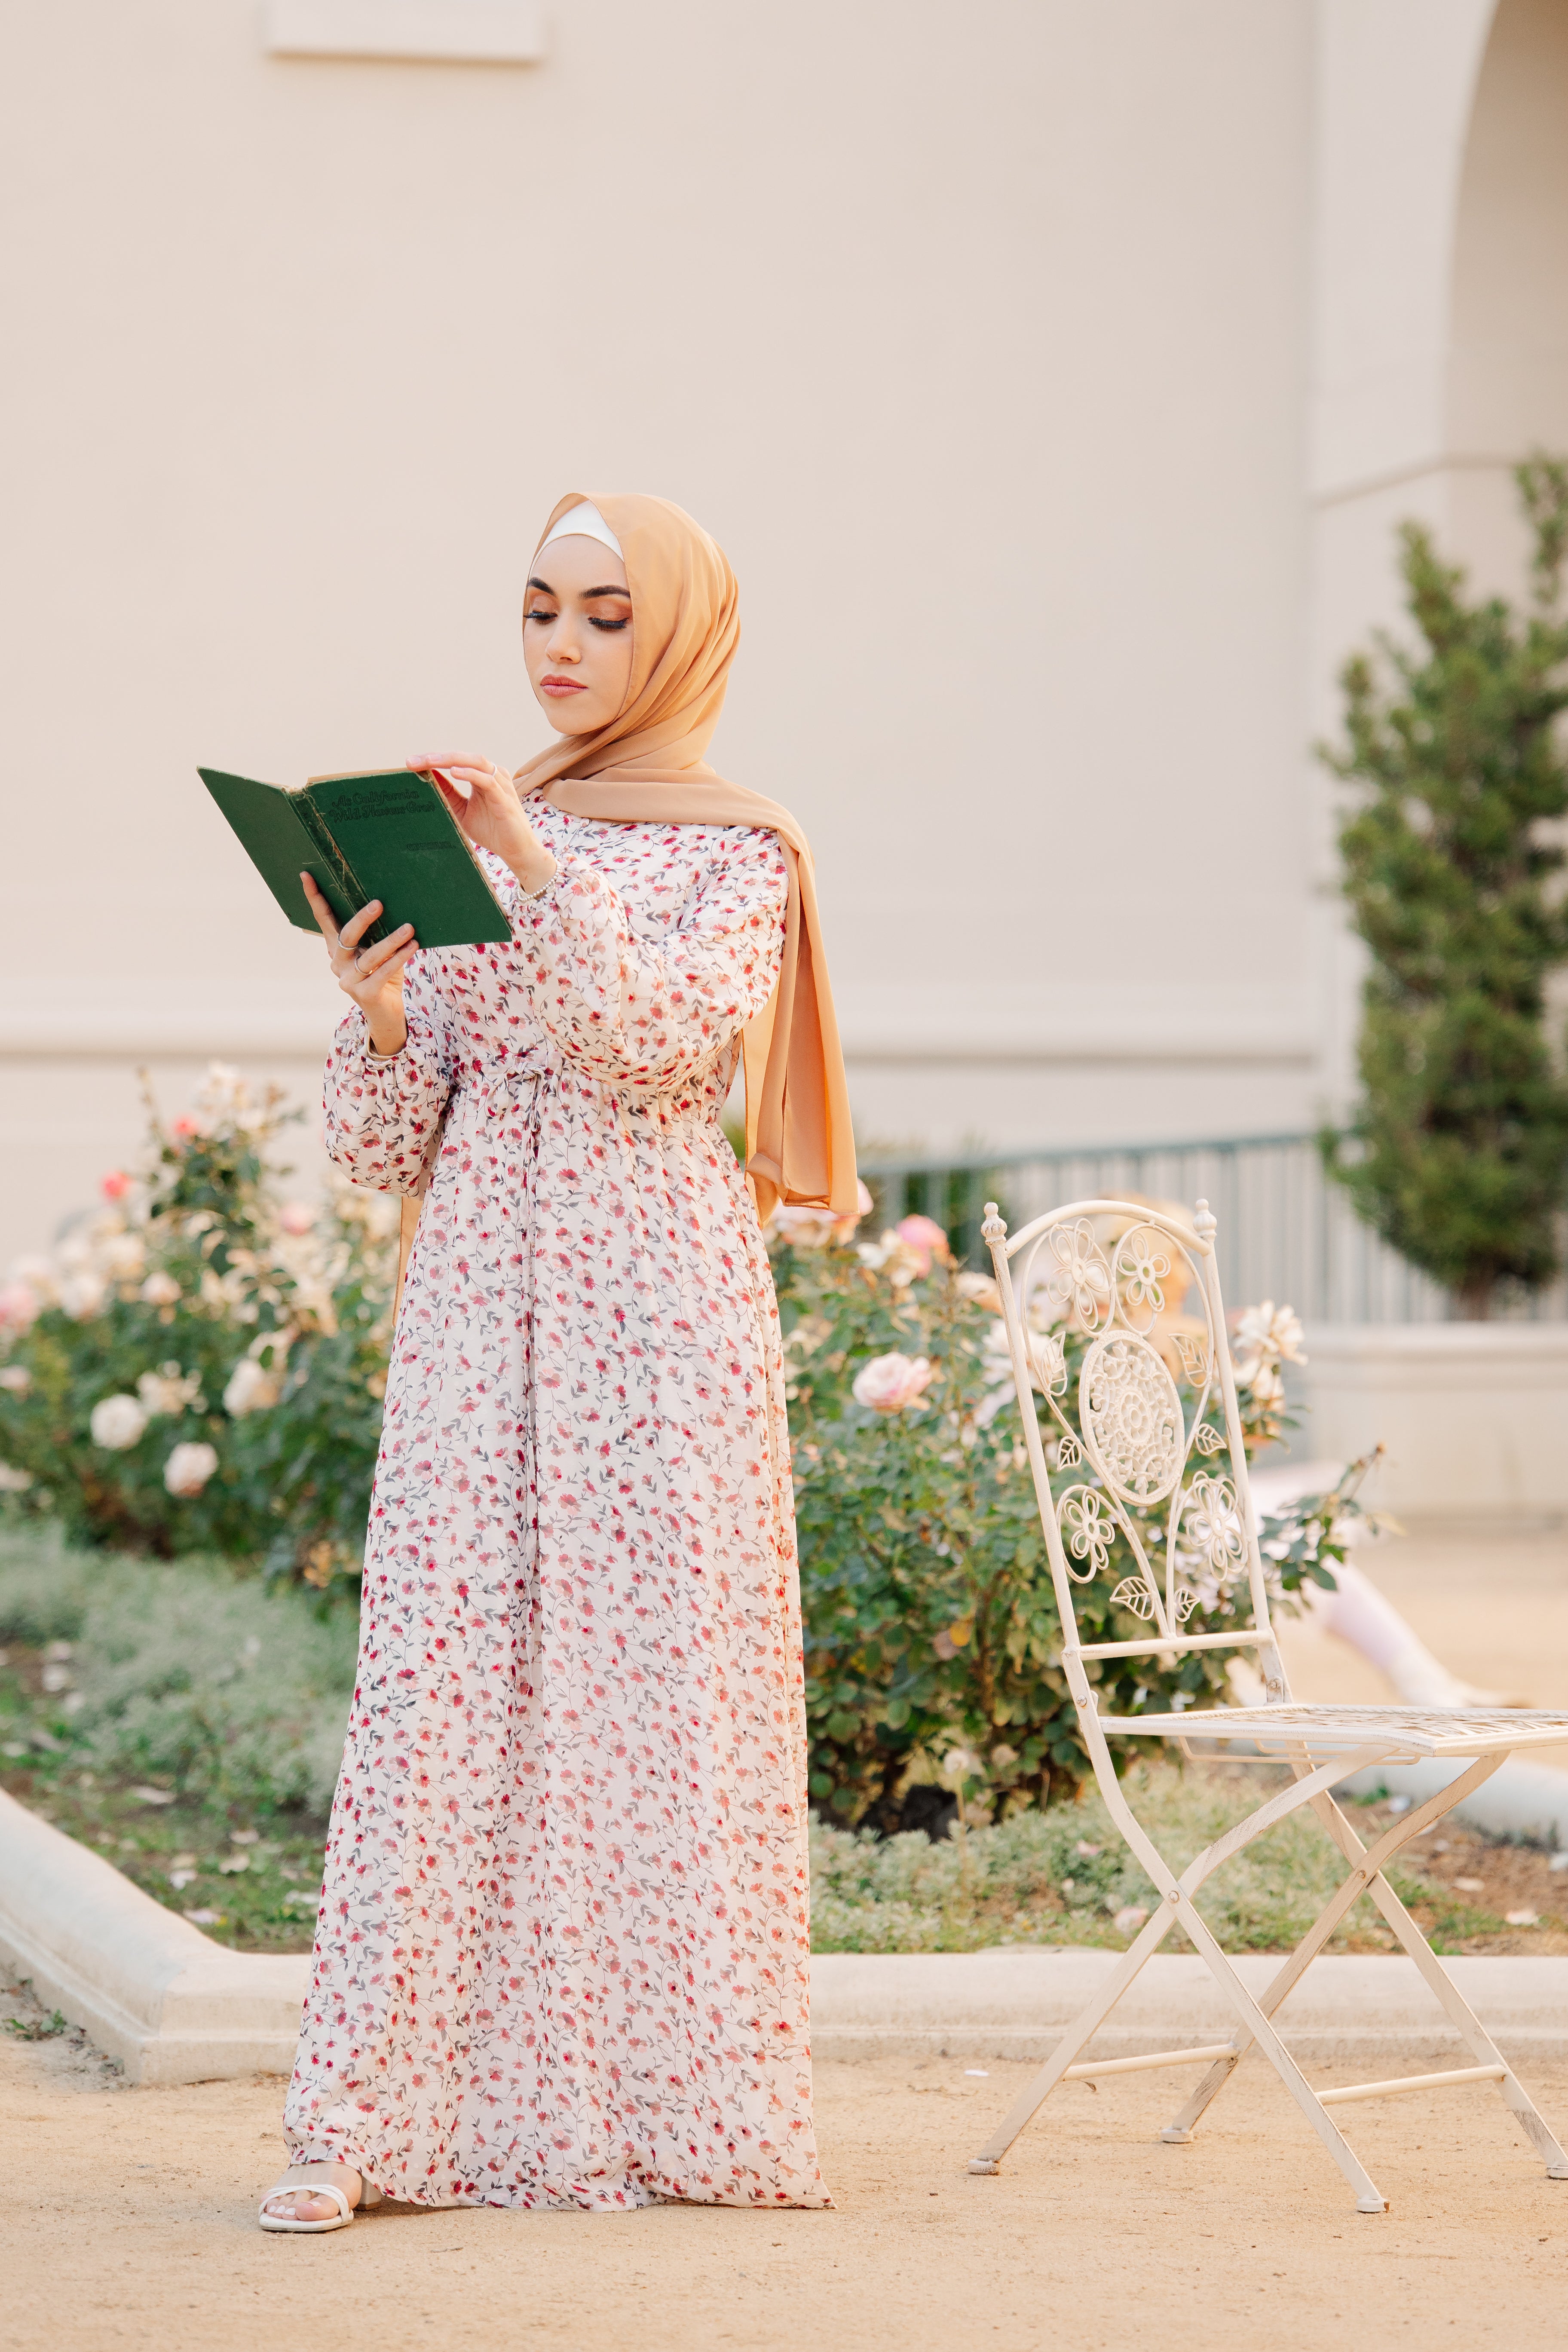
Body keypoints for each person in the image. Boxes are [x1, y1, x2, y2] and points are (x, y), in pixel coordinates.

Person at [260, 493, 856, 2230]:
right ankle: (375, 2121)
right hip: (475, 1308)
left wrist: (540, 868)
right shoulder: (477, 836)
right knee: (447, 1691)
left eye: (602, 616)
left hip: (651, 1317)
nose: (560, 647)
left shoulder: (738, 853)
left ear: (669, 637)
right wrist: (374, 1006)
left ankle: (674, 2115)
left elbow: (660, 1052)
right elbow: (392, 1144)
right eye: (538, 610)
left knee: (650, 1694)